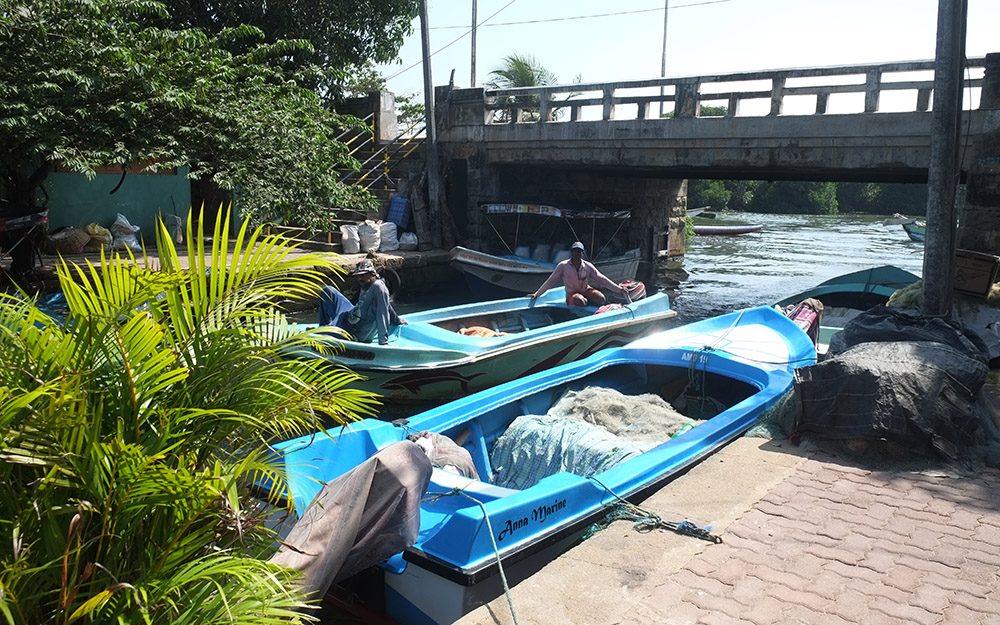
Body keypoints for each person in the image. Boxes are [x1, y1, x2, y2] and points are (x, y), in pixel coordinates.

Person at [318, 260, 405, 345]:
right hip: (349, 314)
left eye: (363, 275)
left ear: (372, 274)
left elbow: (382, 314)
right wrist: (396, 320)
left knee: (316, 336)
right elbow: (387, 305)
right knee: (327, 291)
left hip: (351, 332)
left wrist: (383, 342)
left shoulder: (378, 287)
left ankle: (325, 330)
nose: (360, 278)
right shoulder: (367, 285)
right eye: (358, 275)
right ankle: (324, 326)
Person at [530, 241, 626, 307]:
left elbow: (602, 279)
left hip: (586, 290)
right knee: (580, 301)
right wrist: (537, 294)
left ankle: (589, 303)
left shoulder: (587, 266)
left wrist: (619, 290)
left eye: (579, 251)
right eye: (575, 251)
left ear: (582, 253)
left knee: (601, 299)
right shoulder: (563, 265)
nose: (577, 253)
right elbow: (550, 281)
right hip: (572, 294)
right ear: (571, 251)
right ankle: (584, 302)